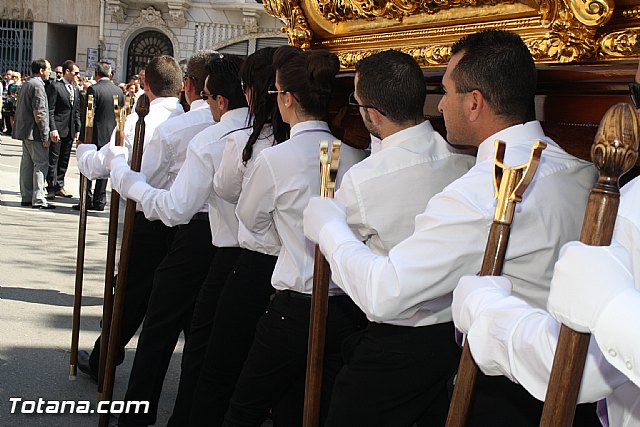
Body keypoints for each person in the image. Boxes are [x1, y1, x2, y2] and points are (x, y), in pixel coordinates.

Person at [303, 29, 599, 426]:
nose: (440, 105)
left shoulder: (478, 194)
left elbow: (385, 293)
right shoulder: (580, 171)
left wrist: (329, 226)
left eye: (446, 91)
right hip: (576, 385)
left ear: (475, 102)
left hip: (505, 388)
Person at [303, 48, 476, 426]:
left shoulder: (364, 180)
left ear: (372, 115)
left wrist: (324, 225)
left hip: (396, 337)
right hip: (452, 338)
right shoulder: (467, 163)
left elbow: (342, 263)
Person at [222, 45, 367, 427]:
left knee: (246, 407)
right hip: (344, 309)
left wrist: (288, 244)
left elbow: (250, 222)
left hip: (298, 308)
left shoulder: (279, 158)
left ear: (286, 98)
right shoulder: (353, 155)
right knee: (301, 408)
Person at [103, 51, 230, 427]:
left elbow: (167, 197)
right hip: (221, 240)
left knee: (159, 326)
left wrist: (127, 178)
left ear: (194, 87)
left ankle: (135, 416)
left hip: (190, 227)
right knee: (199, 331)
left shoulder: (184, 130)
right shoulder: (250, 126)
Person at [172, 47, 288, 426]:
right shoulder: (328, 147)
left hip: (249, 260)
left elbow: (244, 210)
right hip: (285, 270)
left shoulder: (248, 144)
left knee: (215, 365)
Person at [75, 55, 184, 383]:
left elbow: (99, 165)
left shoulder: (140, 121)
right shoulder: (192, 118)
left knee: (129, 295)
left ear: (147, 85)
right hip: (185, 225)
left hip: (148, 220)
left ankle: (103, 360)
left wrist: (84, 151)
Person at [74, 61, 124, 211]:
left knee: (88, 166)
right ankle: (100, 199)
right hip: (110, 134)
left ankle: (86, 199)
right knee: (105, 166)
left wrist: (82, 136)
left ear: (97, 74)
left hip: (94, 133)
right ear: (110, 74)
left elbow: (89, 115)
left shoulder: (93, 89)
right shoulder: (118, 91)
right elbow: (119, 115)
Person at [13, 58, 53, 209]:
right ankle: (39, 199)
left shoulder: (27, 84)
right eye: (48, 69)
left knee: (27, 164)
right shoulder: (37, 86)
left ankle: (26, 196)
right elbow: (40, 112)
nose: (50, 72)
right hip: (34, 133)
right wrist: (45, 134)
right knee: (40, 164)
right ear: (41, 70)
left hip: (25, 132)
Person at [46, 59, 81, 199]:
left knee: (64, 159)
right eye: (75, 73)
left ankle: (60, 185)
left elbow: (76, 110)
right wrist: (52, 128)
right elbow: (50, 110)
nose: (77, 75)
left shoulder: (75, 89)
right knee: (53, 159)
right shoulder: (55, 87)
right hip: (58, 128)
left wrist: (77, 127)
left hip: (70, 129)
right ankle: (51, 186)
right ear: (67, 72)